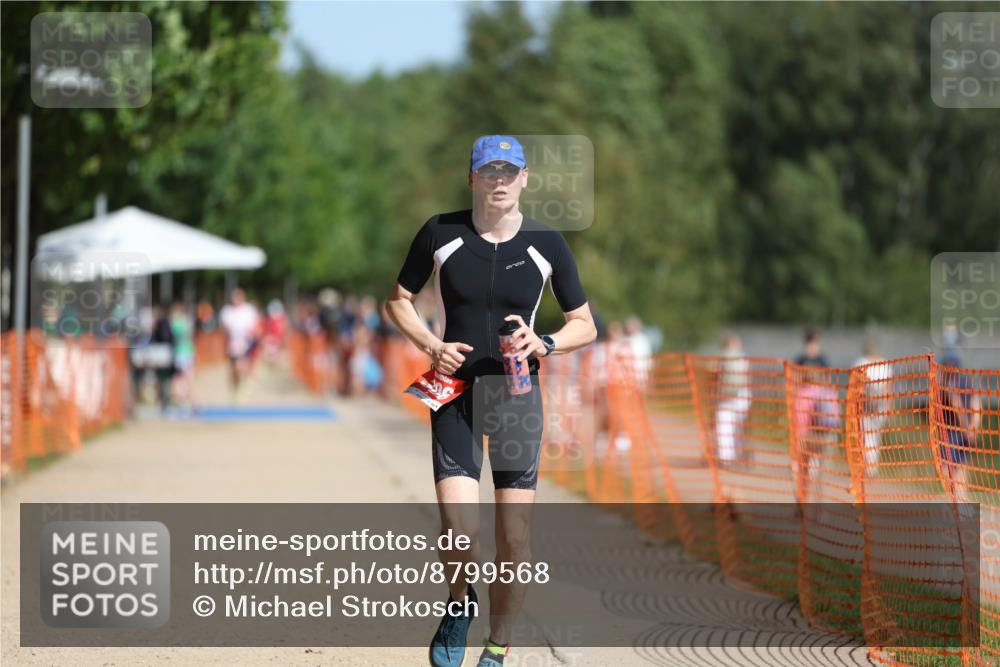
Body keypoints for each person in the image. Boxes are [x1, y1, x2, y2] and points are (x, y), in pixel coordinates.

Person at [384, 135, 597, 667]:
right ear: (472, 178)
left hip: (517, 399)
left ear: (525, 178)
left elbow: (585, 325)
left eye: (509, 171)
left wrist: (542, 341)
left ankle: (497, 649)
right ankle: (459, 604)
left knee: (515, 538)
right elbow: (397, 302)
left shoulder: (547, 243)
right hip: (453, 393)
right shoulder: (441, 231)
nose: (499, 180)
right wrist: (432, 346)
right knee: (459, 527)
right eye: (489, 171)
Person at [936, 353, 981, 507]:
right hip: (964, 430)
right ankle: (962, 503)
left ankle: (955, 502)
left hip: (954, 431)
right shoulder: (966, 380)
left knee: (946, 467)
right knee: (960, 467)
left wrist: (967, 428)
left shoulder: (947, 383)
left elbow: (957, 406)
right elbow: (976, 404)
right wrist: (974, 428)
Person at [853, 339, 892, 475]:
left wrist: (887, 405)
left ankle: (870, 468)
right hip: (864, 405)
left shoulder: (883, 364)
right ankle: (867, 468)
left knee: (872, 437)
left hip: (878, 405)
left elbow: (887, 387)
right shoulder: (860, 363)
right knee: (866, 436)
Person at [714, 332, 751, 468]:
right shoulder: (743, 358)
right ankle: (731, 456)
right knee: (734, 427)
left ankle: (727, 458)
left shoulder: (723, 357)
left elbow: (715, 373)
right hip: (737, 396)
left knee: (726, 427)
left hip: (730, 396)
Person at [219, 288, 259, 396]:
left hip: (246, 342)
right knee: (233, 369)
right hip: (233, 343)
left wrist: (249, 340)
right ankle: (235, 389)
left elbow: (255, 327)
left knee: (240, 365)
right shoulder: (227, 311)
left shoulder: (249, 310)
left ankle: (245, 381)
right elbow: (225, 330)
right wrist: (227, 344)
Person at [169, 302, 196, 415]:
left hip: (181, 354)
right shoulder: (185, 323)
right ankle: (192, 403)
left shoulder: (175, 324)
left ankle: (187, 402)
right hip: (187, 353)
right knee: (186, 379)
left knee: (179, 379)